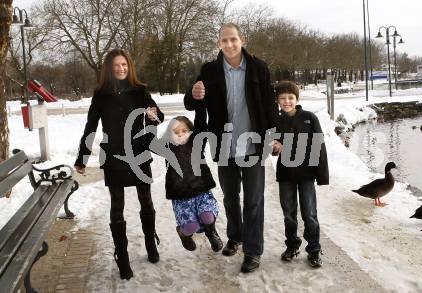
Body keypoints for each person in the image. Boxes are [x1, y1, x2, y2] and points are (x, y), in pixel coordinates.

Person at [184, 23, 276, 273]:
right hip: (224, 145)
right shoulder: (209, 70)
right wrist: (193, 93)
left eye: (233, 39)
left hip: (254, 145)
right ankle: (235, 236)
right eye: (224, 40)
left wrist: (275, 136)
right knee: (230, 197)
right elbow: (191, 102)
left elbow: (270, 105)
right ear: (218, 43)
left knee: (254, 200)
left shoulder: (259, 68)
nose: (229, 44)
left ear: (242, 40)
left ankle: (253, 251)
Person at [74, 49, 164, 280]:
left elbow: (157, 115)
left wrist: (153, 115)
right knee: (117, 206)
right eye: (116, 65)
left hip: (139, 154)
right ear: (109, 68)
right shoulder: (101, 94)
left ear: (129, 66)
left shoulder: (140, 90)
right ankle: (122, 256)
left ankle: (150, 243)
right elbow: (91, 127)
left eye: (124, 64)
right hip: (113, 156)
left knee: (146, 200)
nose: (121, 68)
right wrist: (82, 157)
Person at [272, 80, 329, 268]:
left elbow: (319, 146)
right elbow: (272, 147)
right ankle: (292, 245)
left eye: (290, 97)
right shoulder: (276, 120)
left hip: (306, 174)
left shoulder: (309, 118)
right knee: (289, 213)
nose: (287, 101)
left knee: (309, 214)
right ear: (277, 100)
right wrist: (274, 146)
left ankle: (313, 249)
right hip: (286, 174)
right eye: (282, 98)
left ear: (297, 98)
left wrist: (322, 175)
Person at [162, 116, 223, 252]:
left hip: (201, 189)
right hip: (181, 195)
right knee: (191, 226)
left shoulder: (197, 142)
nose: (180, 134)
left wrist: (200, 103)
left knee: (207, 216)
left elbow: (201, 124)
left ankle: (211, 232)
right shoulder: (167, 147)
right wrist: (150, 121)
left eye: (184, 130)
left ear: (191, 131)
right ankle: (183, 234)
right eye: (176, 132)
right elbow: (149, 142)